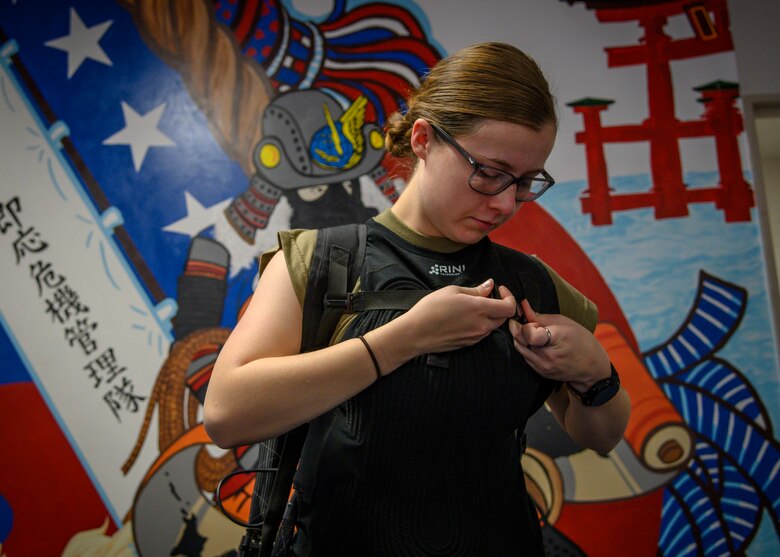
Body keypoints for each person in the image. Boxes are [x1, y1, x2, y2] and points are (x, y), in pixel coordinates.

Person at [204, 41, 631, 556]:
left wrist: (595, 375)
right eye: (488, 172)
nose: (503, 203)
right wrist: (401, 340)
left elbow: (603, 436)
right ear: (424, 139)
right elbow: (227, 415)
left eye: (523, 183)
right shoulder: (320, 263)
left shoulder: (532, 285)